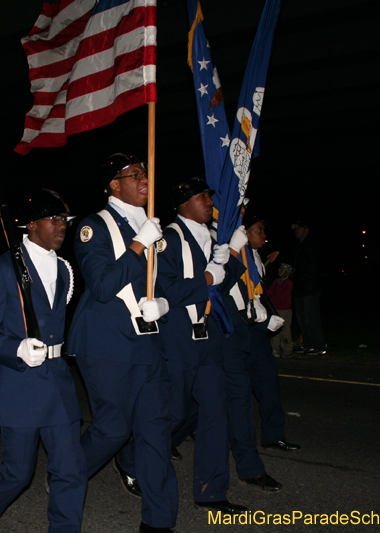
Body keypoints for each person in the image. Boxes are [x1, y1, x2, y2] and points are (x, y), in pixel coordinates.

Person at [0, 190, 85, 533]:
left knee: (71, 469)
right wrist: (16, 348)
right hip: (21, 384)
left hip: (58, 382)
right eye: (53, 219)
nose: (62, 227)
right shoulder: (0, 268)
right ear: (31, 225)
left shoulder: (64, 268)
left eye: (65, 221)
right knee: (18, 473)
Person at [68, 153, 177, 533]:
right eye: (135, 174)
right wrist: (137, 245)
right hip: (107, 343)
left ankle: (159, 522)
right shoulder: (93, 226)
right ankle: (68, 476)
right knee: (113, 429)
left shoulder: (150, 226)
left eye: (146, 172)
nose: (144, 178)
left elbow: (160, 285)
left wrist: (163, 304)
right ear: (115, 185)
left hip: (149, 344)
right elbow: (101, 286)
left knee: (156, 432)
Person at [158, 177, 250, 511]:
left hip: (208, 338)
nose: (209, 201)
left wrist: (232, 256)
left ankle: (212, 491)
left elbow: (221, 287)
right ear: (184, 203)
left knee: (215, 414)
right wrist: (208, 276)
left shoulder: (212, 238)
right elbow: (165, 291)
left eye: (208, 196)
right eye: (201, 196)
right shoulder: (169, 238)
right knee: (174, 413)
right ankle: (130, 456)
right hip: (178, 338)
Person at [245, 211, 300, 452]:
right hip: (240, 334)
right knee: (223, 392)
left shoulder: (256, 258)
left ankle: (273, 434)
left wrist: (268, 316)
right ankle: (181, 431)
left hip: (258, 334)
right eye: (258, 231)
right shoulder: (235, 258)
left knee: (268, 384)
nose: (264, 236)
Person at [291, 220, 325, 355]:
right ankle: (308, 344)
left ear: (306, 229)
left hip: (309, 288)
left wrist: (301, 278)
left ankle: (319, 346)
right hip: (300, 288)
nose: (296, 231)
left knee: (311, 319)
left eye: (299, 228)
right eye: (295, 229)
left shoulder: (312, 245)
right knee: (302, 319)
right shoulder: (300, 246)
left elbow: (313, 268)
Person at [267, 263, 294, 358]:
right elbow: (269, 291)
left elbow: (282, 297)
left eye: (282, 270)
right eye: (279, 269)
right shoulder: (276, 281)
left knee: (285, 331)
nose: (279, 271)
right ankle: (275, 350)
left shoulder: (288, 283)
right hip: (275, 310)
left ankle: (287, 350)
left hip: (284, 310)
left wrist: (272, 299)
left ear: (287, 272)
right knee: (274, 331)